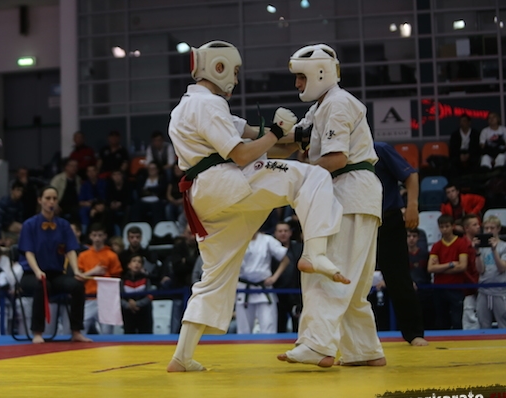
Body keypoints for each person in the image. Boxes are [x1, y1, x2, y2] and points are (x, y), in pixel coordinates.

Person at [167, 41, 344, 372]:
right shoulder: (208, 105)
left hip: (207, 197)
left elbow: (256, 138)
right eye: (234, 71)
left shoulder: (188, 107)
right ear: (218, 67)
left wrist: (294, 136)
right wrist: (277, 131)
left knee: (214, 276)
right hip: (225, 183)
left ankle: (182, 357)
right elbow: (243, 154)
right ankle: (314, 252)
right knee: (313, 177)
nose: (235, 79)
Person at [278, 43, 384, 367]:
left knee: (325, 271)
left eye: (301, 77)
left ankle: (317, 345)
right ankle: (364, 351)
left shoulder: (337, 103)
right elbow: (294, 138)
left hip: (348, 192)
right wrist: (251, 142)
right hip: (356, 194)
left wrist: (299, 174)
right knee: (351, 282)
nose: (297, 84)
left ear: (320, 73)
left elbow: (336, 158)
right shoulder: (322, 106)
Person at [18, 186, 91, 343]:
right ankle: (37, 332)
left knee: (77, 286)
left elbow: (71, 250)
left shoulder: (63, 225)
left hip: (56, 274)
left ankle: (76, 331)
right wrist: (37, 271)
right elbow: (28, 252)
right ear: (40, 200)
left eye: (54, 199)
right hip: (32, 275)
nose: (51, 202)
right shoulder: (29, 224)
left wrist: (76, 270)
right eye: (48, 198)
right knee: (42, 285)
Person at [373, 142, 428, 346]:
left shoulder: (379, 149)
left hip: (388, 219)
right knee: (350, 279)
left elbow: (410, 175)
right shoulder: (337, 153)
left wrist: (412, 205)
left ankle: (414, 333)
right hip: (357, 221)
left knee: (399, 278)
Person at [235, 230, 289, 334]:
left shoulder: (267, 240)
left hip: (264, 289)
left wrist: (274, 278)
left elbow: (285, 260)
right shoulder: (236, 241)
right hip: (244, 289)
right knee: (243, 331)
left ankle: (269, 345)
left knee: (269, 329)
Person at [77, 223, 123, 335]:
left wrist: (105, 274)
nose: (97, 238)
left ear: (105, 236)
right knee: (81, 330)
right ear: (90, 236)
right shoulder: (83, 256)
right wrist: (93, 271)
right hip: (89, 297)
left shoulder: (111, 255)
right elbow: (78, 277)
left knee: (107, 332)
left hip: (106, 299)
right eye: (94, 235)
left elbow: (117, 278)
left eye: (100, 235)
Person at [427, 214, 469, 330]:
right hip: (439, 288)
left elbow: (462, 266)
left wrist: (440, 268)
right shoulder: (436, 246)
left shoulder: (461, 243)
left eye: (447, 226)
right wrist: (450, 265)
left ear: (453, 226)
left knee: (457, 320)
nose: (444, 229)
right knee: (441, 321)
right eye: (442, 227)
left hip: (455, 287)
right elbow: (430, 268)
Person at [272, 221, 303, 333]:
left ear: (290, 233)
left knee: (298, 327)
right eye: (280, 231)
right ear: (275, 233)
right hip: (277, 293)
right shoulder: (270, 248)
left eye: (285, 231)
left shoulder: (299, 248)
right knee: (279, 326)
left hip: (296, 293)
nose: (283, 233)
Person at [475, 215, 506, 328]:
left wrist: (494, 250)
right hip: (483, 290)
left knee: (503, 324)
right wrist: (477, 252)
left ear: (498, 229)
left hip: (500, 291)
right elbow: (480, 270)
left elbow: (502, 268)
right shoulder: (482, 247)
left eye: (492, 228)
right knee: (483, 324)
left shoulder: (504, 246)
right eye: (486, 228)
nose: (489, 231)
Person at [407, 228, 435, 330]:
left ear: (418, 238)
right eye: (409, 236)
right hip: (409, 292)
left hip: (425, 292)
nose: (411, 239)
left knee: (427, 319)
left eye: (414, 236)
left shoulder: (425, 254)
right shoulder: (402, 256)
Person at [120, 253, 153, 334]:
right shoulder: (123, 280)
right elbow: (118, 297)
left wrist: (137, 304)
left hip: (144, 312)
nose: (136, 264)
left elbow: (150, 296)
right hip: (128, 312)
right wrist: (128, 305)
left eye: (139, 262)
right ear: (129, 265)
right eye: (134, 261)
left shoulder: (146, 279)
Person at [461, 214, 481, 330]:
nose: (478, 227)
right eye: (475, 225)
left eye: (478, 224)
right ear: (466, 228)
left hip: (482, 287)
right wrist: (474, 286)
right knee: (470, 322)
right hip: (469, 289)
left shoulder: (481, 243)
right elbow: (464, 270)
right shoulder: (462, 245)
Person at [50, 158, 82, 223]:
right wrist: (55, 205)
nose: (74, 168)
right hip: (60, 205)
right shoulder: (58, 179)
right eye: (72, 166)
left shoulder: (78, 179)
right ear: (66, 167)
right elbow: (50, 193)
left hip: (74, 206)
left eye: (76, 166)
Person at [78, 165, 108, 230]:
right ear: (87, 173)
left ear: (97, 172)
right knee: (83, 211)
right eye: (89, 171)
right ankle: (85, 231)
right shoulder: (84, 185)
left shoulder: (103, 183)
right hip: (89, 205)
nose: (91, 173)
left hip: (102, 205)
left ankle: (104, 230)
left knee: (107, 211)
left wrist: (99, 206)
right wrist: (91, 205)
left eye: (93, 171)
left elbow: (106, 197)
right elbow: (80, 201)